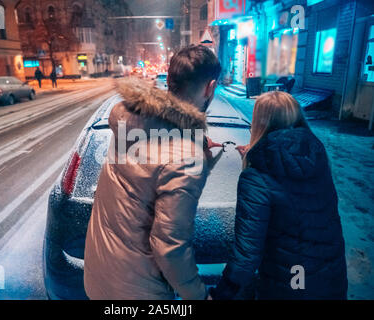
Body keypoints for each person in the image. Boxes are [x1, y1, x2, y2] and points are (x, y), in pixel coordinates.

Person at [84, 45, 222, 300]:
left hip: (99, 274)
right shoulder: (184, 155)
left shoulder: (133, 121)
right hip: (140, 291)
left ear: (169, 81)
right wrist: (199, 295)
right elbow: (170, 248)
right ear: (210, 87)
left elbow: (145, 178)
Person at [210, 91, 348, 300]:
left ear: (259, 123)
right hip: (331, 278)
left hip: (291, 285)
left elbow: (246, 255)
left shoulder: (257, 177)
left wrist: (222, 293)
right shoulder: (317, 157)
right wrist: (259, 155)